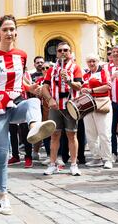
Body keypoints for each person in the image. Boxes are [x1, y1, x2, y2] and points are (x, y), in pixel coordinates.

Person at [0, 14, 56, 215]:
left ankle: (34, 129)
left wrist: (32, 87)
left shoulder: (21, 55)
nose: (9, 33)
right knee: (2, 155)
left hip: (15, 103)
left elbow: (21, 81)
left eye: (12, 29)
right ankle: (3, 195)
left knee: (32, 102)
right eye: (5, 29)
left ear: (16, 32)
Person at [42, 41, 83, 176]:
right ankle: (52, 164)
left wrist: (69, 80)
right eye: (60, 50)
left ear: (70, 52)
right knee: (54, 135)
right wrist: (50, 99)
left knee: (72, 135)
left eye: (66, 50)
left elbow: (79, 86)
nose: (63, 53)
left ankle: (73, 164)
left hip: (70, 106)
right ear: (56, 53)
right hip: (56, 106)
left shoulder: (76, 67)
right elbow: (45, 87)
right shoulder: (52, 69)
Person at [81, 54, 113, 169]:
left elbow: (108, 86)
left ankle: (107, 158)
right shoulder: (85, 75)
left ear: (98, 61)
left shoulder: (104, 72)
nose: (91, 63)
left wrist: (91, 90)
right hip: (88, 105)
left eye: (93, 61)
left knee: (104, 132)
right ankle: (96, 158)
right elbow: (82, 88)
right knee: (90, 133)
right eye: (89, 61)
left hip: (101, 103)